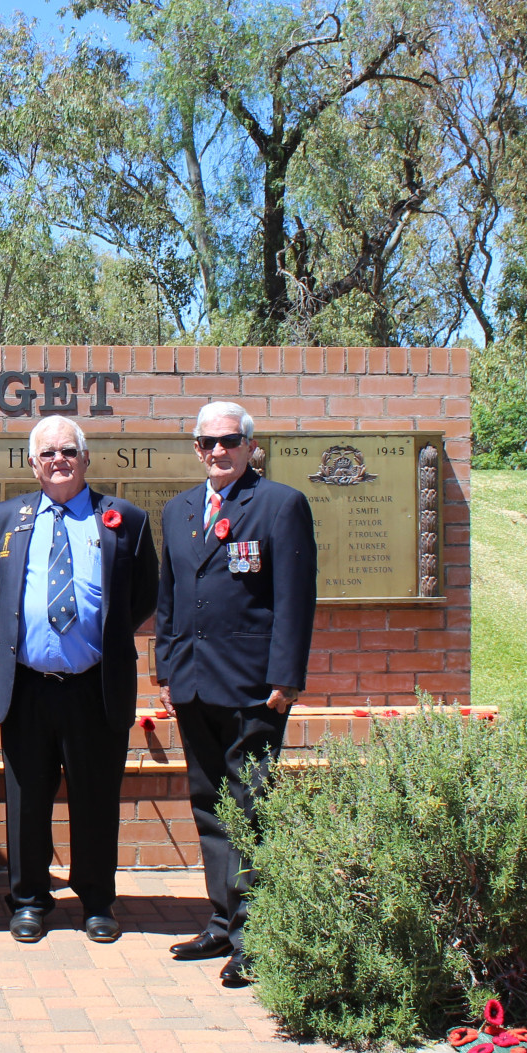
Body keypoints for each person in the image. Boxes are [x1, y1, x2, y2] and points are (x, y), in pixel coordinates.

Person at [153, 401, 315, 988]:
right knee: (209, 805)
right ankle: (222, 920)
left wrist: (286, 676)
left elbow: (295, 597)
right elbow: (169, 599)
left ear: (250, 446)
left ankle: (257, 933)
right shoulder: (178, 510)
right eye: (205, 443)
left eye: (227, 441)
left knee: (250, 808)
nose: (216, 452)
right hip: (194, 684)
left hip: (253, 687)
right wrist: (164, 670)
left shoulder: (280, 504)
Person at [0, 415, 158, 945]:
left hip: (94, 686)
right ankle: (30, 899)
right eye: (47, 453)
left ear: (85, 458)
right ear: (32, 464)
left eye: (68, 451)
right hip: (28, 685)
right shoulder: (3, 518)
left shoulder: (124, 518)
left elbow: (143, 595)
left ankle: (98, 901)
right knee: (27, 799)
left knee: (96, 797)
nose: (58, 461)